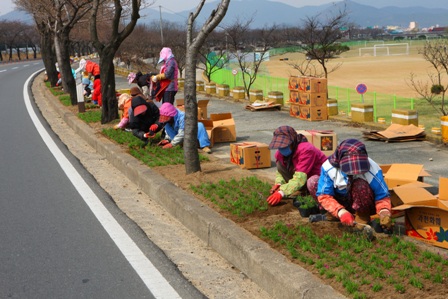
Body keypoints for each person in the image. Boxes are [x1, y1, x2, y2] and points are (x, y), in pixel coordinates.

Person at [315, 138, 392, 230]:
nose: (354, 173)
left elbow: (382, 195)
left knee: (360, 185)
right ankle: (334, 215)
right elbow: (324, 195)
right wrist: (341, 212)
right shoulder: (328, 167)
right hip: (341, 200)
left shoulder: (373, 168)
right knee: (313, 182)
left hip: (363, 203)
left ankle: (362, 217)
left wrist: (384, 211)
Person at [266, 126, 327, 206]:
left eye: (285, 146)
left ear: (292, 142)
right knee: (280, 164)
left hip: (320, 180)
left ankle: (317, 198)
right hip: (305, 179)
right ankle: (304, 190)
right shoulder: (280, 154)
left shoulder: (306, 150)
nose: (282, 149)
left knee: (312, 182)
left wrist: (282, 192)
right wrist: (279, 184)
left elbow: (300, 177)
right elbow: (280, 172)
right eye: (280, 147)